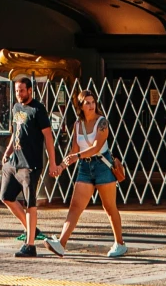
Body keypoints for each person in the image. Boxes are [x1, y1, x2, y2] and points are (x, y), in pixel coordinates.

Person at [45, 86, 127, 258]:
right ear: (81, 106)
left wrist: (77, 156)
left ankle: (119, 243)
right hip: (84, 167)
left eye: (93, 102)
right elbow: (74, 150)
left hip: (102, 165)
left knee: (109, 206)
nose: (91, 106)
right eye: (87, 103)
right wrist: (62, 166)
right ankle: (61, 243)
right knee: (75, 206)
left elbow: (96, 146)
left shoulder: (102, 122)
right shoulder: (77, 125)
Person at [0, 74, 61, 256]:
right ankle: (31, 228)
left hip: (30, 163)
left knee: (30, 203)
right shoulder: (16, 107)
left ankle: (30, 244)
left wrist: (52, 162)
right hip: (14, 162)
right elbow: (15, 132)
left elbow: (48, 137)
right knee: (6, 196)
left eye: (22, 90)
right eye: (17, 91)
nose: (19, 94)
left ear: (30, 90)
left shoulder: (38, 110)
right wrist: (8, 152)